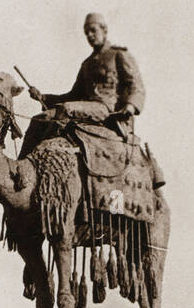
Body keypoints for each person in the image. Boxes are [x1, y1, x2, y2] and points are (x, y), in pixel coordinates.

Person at [21, 13, 165, 187]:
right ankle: (24, 169)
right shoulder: (87, 64)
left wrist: (130, 106)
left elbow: (136, 85)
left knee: (65, 110)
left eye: (93, 30)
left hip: (107, 110)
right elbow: (73, 95)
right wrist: (44, 97)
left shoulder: (118, 55)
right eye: (86, 32)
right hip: (86, 108)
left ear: (104, 30)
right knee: (40, 119)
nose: (89, 35)